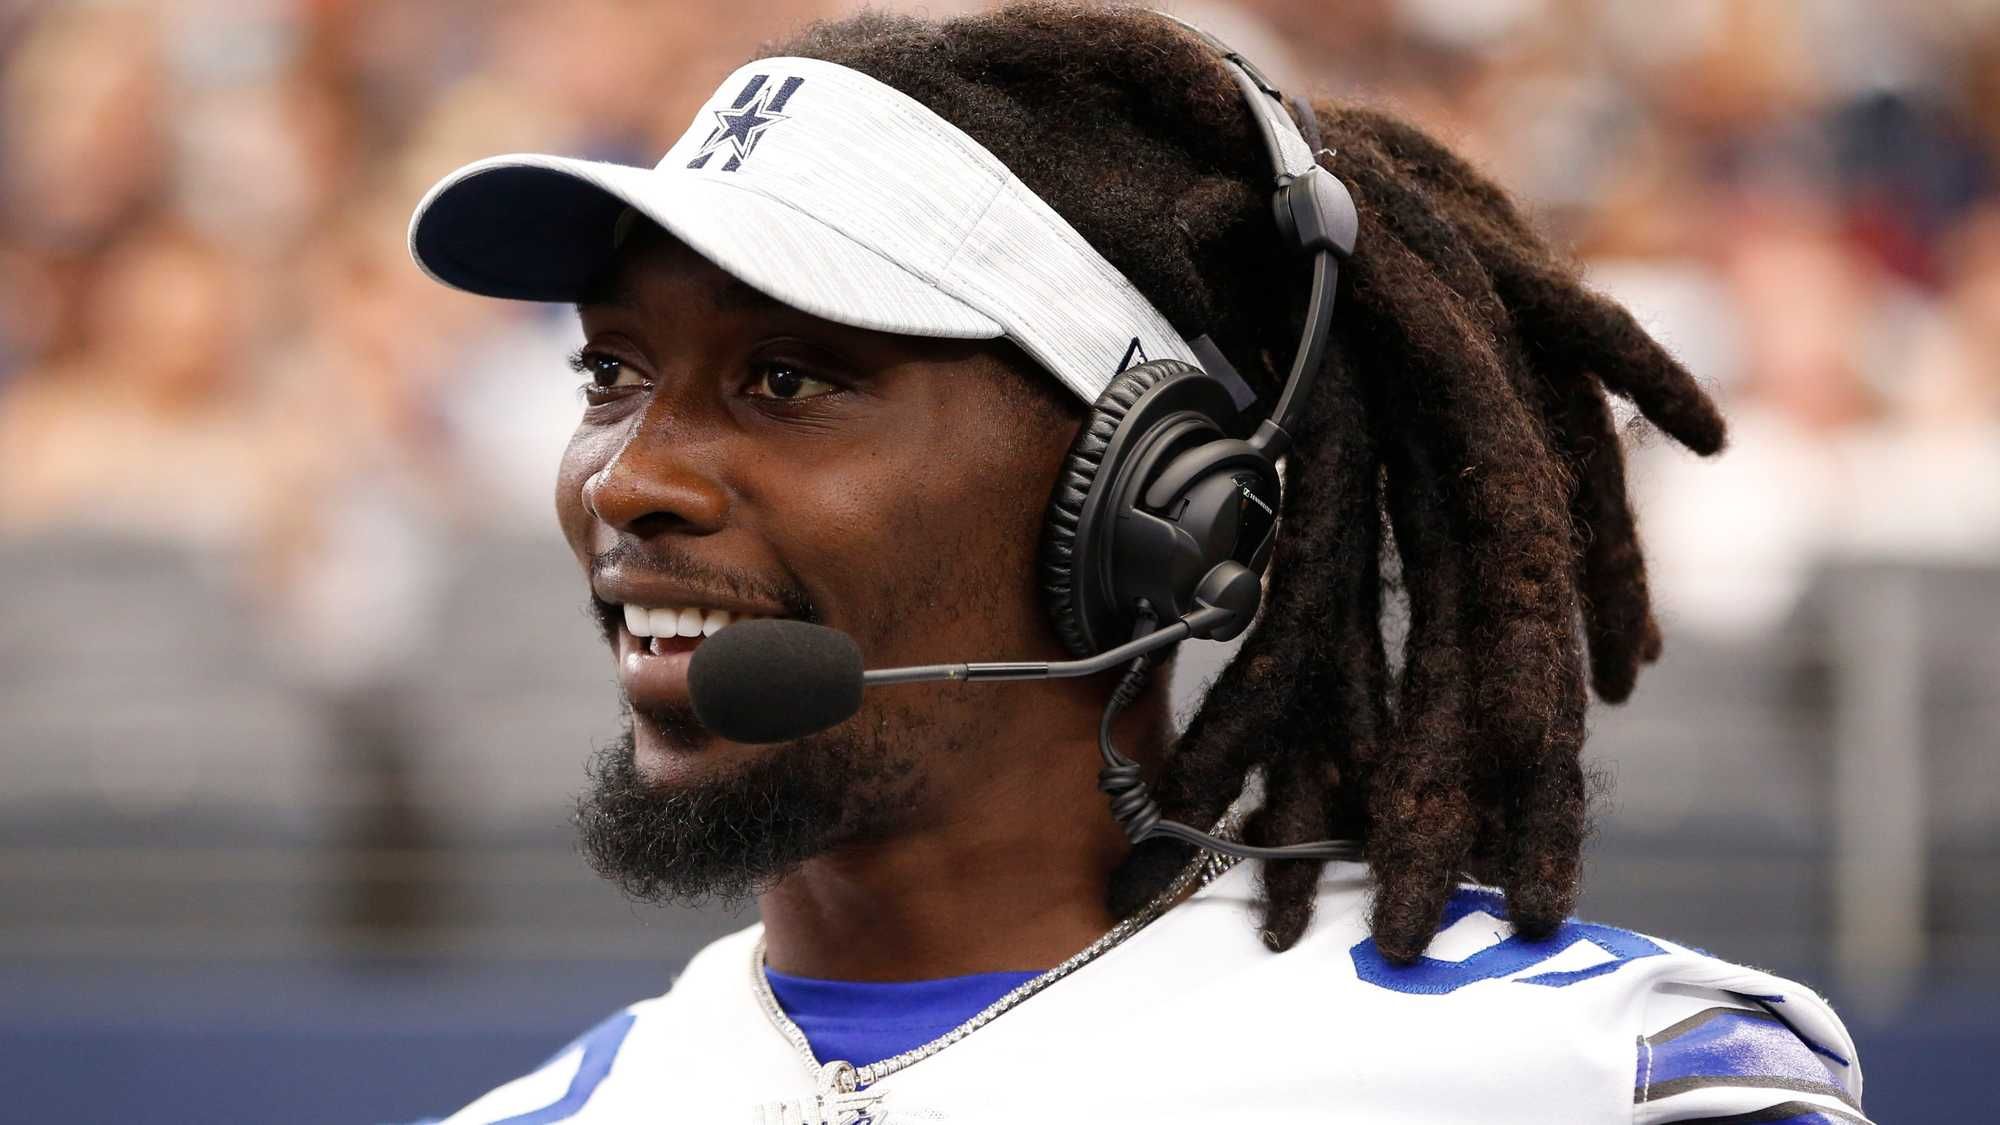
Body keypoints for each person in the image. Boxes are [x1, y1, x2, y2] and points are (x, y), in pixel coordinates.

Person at [405, 5, 1868, 1122]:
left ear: (1155, 502)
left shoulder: (1571, 1076)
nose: (631, 478)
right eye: (611, 373)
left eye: (788, 378)